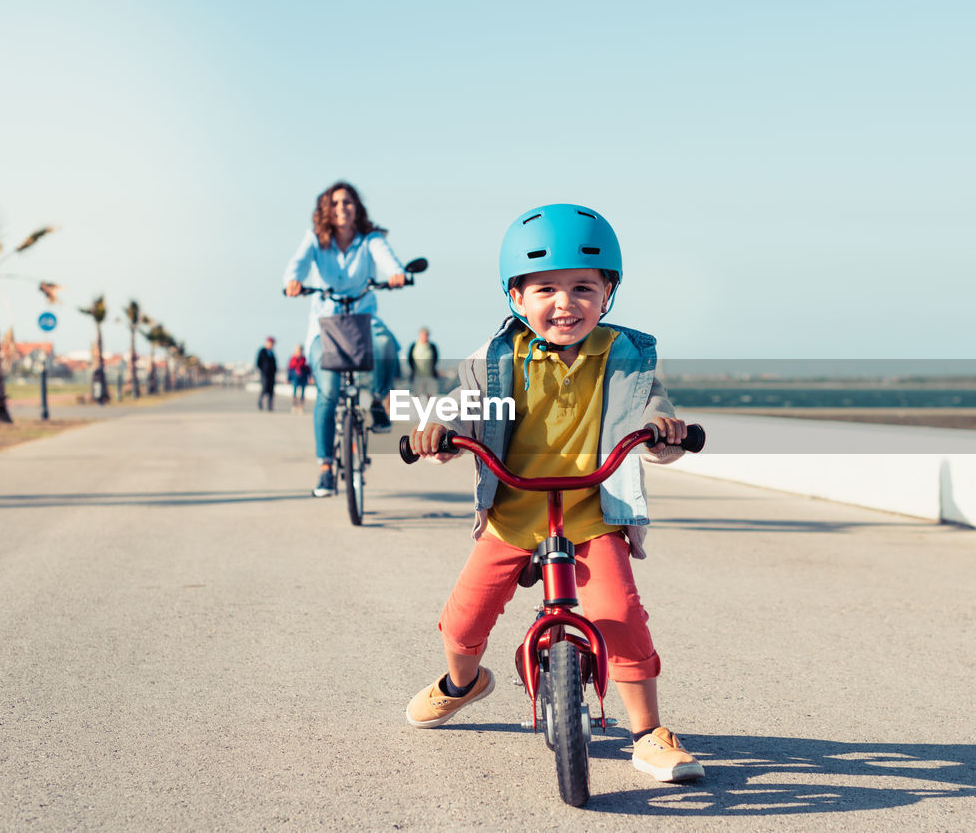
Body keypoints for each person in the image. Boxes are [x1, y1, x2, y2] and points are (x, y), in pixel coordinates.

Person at [404, 204, 704, 784]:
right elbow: (463, 408)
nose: (565, 303)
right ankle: (462, 684)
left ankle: (648, 732)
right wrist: (443, 435)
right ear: (516, 298)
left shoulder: (625, 357)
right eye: (546, 289)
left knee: (618, 614)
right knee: (463, 621)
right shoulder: (497, 360)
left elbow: (651, 407)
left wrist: (664, 431)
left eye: (583, 288)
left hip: (592, 513)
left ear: (608, 293)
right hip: (514, 513)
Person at [283, 181, 408, 498]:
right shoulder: (315, 240)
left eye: (348, 202)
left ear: (357, 208)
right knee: (328, 390)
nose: (342, 208)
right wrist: (293, 281)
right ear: (326, 209)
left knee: (385, 344)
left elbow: (387, 258)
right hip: (324, 327)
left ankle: (379, 401)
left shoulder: (370, 240)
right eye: (335, 203)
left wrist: (397, 274)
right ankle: (326, 466)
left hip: (363, 320)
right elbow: (296, 265)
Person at [405, 327, 439, 398]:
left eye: (426, 335)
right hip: (417, 375)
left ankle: (429, 409)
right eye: (423, 335)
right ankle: (417, 409)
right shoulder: (414, 346)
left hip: (430, 375)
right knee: (416, 395)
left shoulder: (432, 346)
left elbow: (435, 359)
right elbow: (410, 359)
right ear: (419, 335)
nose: (425, 337)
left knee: (430, 395)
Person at [287, 344, 311, 413]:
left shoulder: (304, 359)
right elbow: (290, 369)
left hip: (303, 378)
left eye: (300, 350)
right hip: (295, 378)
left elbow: (308, 369)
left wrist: (309, 378)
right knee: (294, 393)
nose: (298, 352)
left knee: (302, 393)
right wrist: (288, 379)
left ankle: (301, 406)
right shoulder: (292, 359)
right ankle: (294, 405)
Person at [256, 336, 277, 411]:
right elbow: (258, 362)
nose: (272, 345)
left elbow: (275, 364)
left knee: (271, 390)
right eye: (271, 343)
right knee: (265, 388)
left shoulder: (272, 353)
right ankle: (260, 402)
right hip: (264, 374)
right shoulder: (262, 351)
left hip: (272, 374)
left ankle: (270, 406)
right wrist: (262, 370)